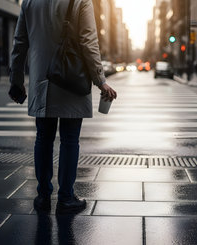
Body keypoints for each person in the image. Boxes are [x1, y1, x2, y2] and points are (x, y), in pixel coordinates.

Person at [9, 0, 117, 214]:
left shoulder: (29, 2)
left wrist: (16, 79)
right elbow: (88, 42)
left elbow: (20, 42)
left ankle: (42, 196)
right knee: (69, 140)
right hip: (71, 80)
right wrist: (100, 80)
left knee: (43, 138)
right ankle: (66, 197)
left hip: (42, 81)